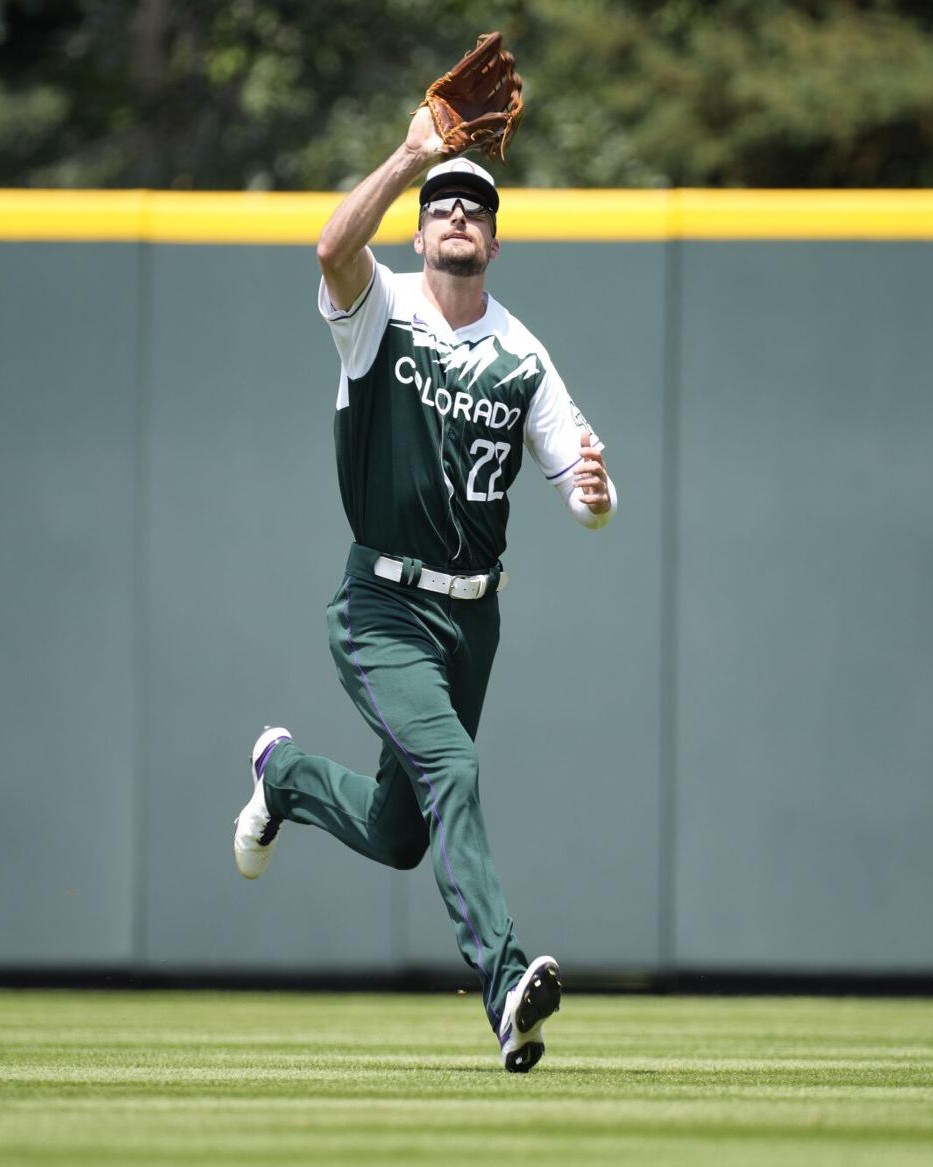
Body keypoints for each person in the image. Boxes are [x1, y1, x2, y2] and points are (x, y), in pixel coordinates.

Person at [231, 104, 617, 1074]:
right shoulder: (379, 312)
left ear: (493, 238)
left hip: (471, 620)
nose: (455, 216)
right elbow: (328, 247)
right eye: (441, 204)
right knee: (454, 773)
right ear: (418, 227)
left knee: (404, 833)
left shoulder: (523, 356)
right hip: (382, 607)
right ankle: (504, 985)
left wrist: (595, 495)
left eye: (473, 208)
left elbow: (580, 488)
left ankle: (285, 778)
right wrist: (410, 154)